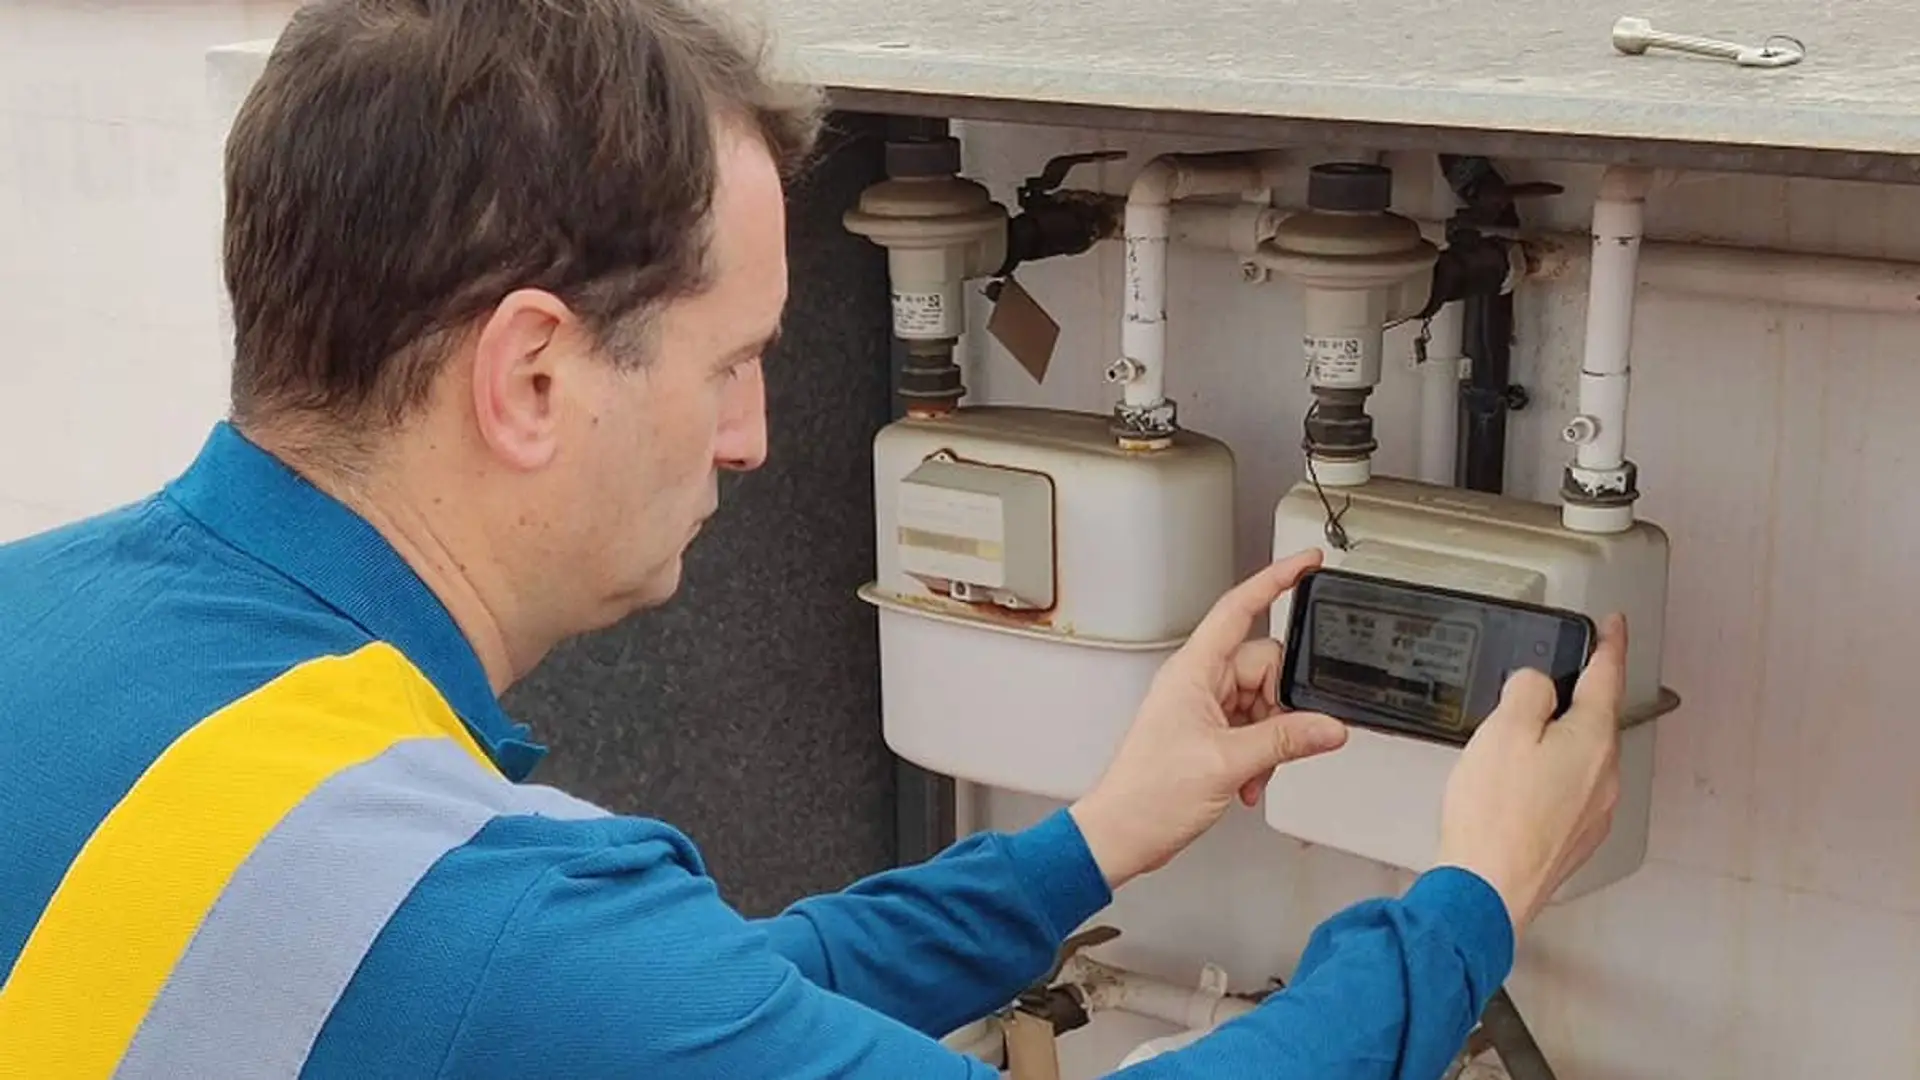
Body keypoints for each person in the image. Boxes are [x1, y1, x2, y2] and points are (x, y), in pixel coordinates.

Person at [0, 1, 1625, 1076]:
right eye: (731, 364)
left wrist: (1097, 836)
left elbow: (708, 1008)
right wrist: (1473, 891)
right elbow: (606, 994)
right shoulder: (482, 913)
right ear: (533, 375)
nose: (753, 437)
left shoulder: (48, 626)